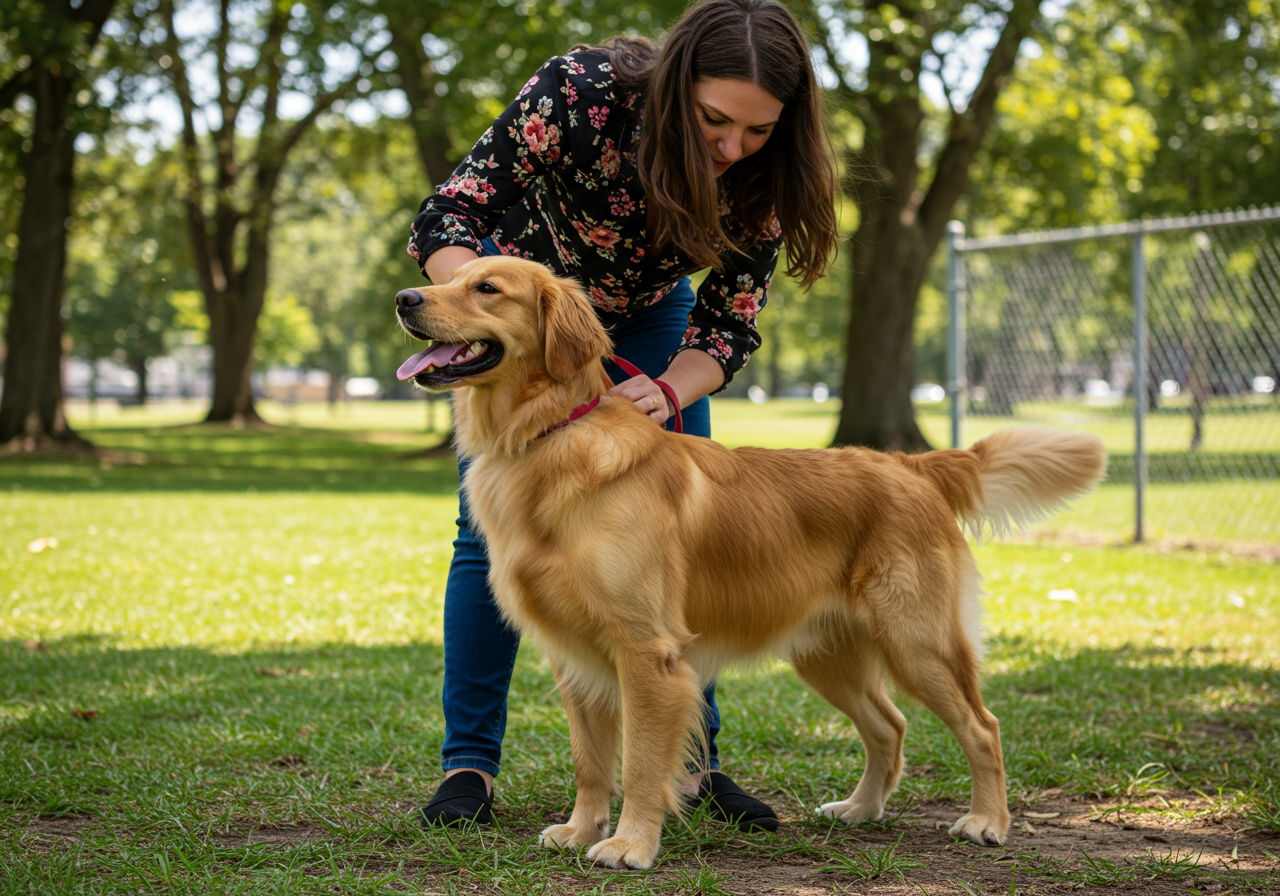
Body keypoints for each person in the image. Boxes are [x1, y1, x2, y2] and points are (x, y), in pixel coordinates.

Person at [405, 0, 839, 832]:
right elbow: (452, 213)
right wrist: (485, 313)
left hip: (650, 322)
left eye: (757, 132)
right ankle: (469, 768)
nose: (732, 148)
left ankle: (695, 767)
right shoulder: (581, 94)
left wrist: (672, 388)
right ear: (677, 86)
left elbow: (729, 322)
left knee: (688, 539)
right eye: (716, 121)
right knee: (484, 533)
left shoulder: (763, 174)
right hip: (526, 302)